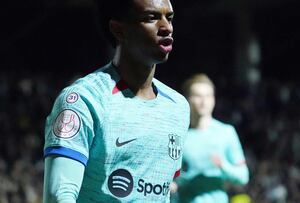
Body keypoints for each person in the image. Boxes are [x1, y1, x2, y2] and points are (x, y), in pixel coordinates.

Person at [42, 0, 190, 202]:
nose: (166, 27)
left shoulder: (178, 107)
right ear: (118, 29)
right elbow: (59, 195)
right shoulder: (83, 100)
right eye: (151, 18)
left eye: (169, 18)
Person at [171, 73, 249, 203]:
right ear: (188, 99)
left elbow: (243, 176)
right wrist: (174, 185)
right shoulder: (179, 135)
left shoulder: (226, 132)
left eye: (208, 96)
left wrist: (223, 165)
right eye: (198, 96)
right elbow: (173, 178)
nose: (204, 101)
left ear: (214, 99)